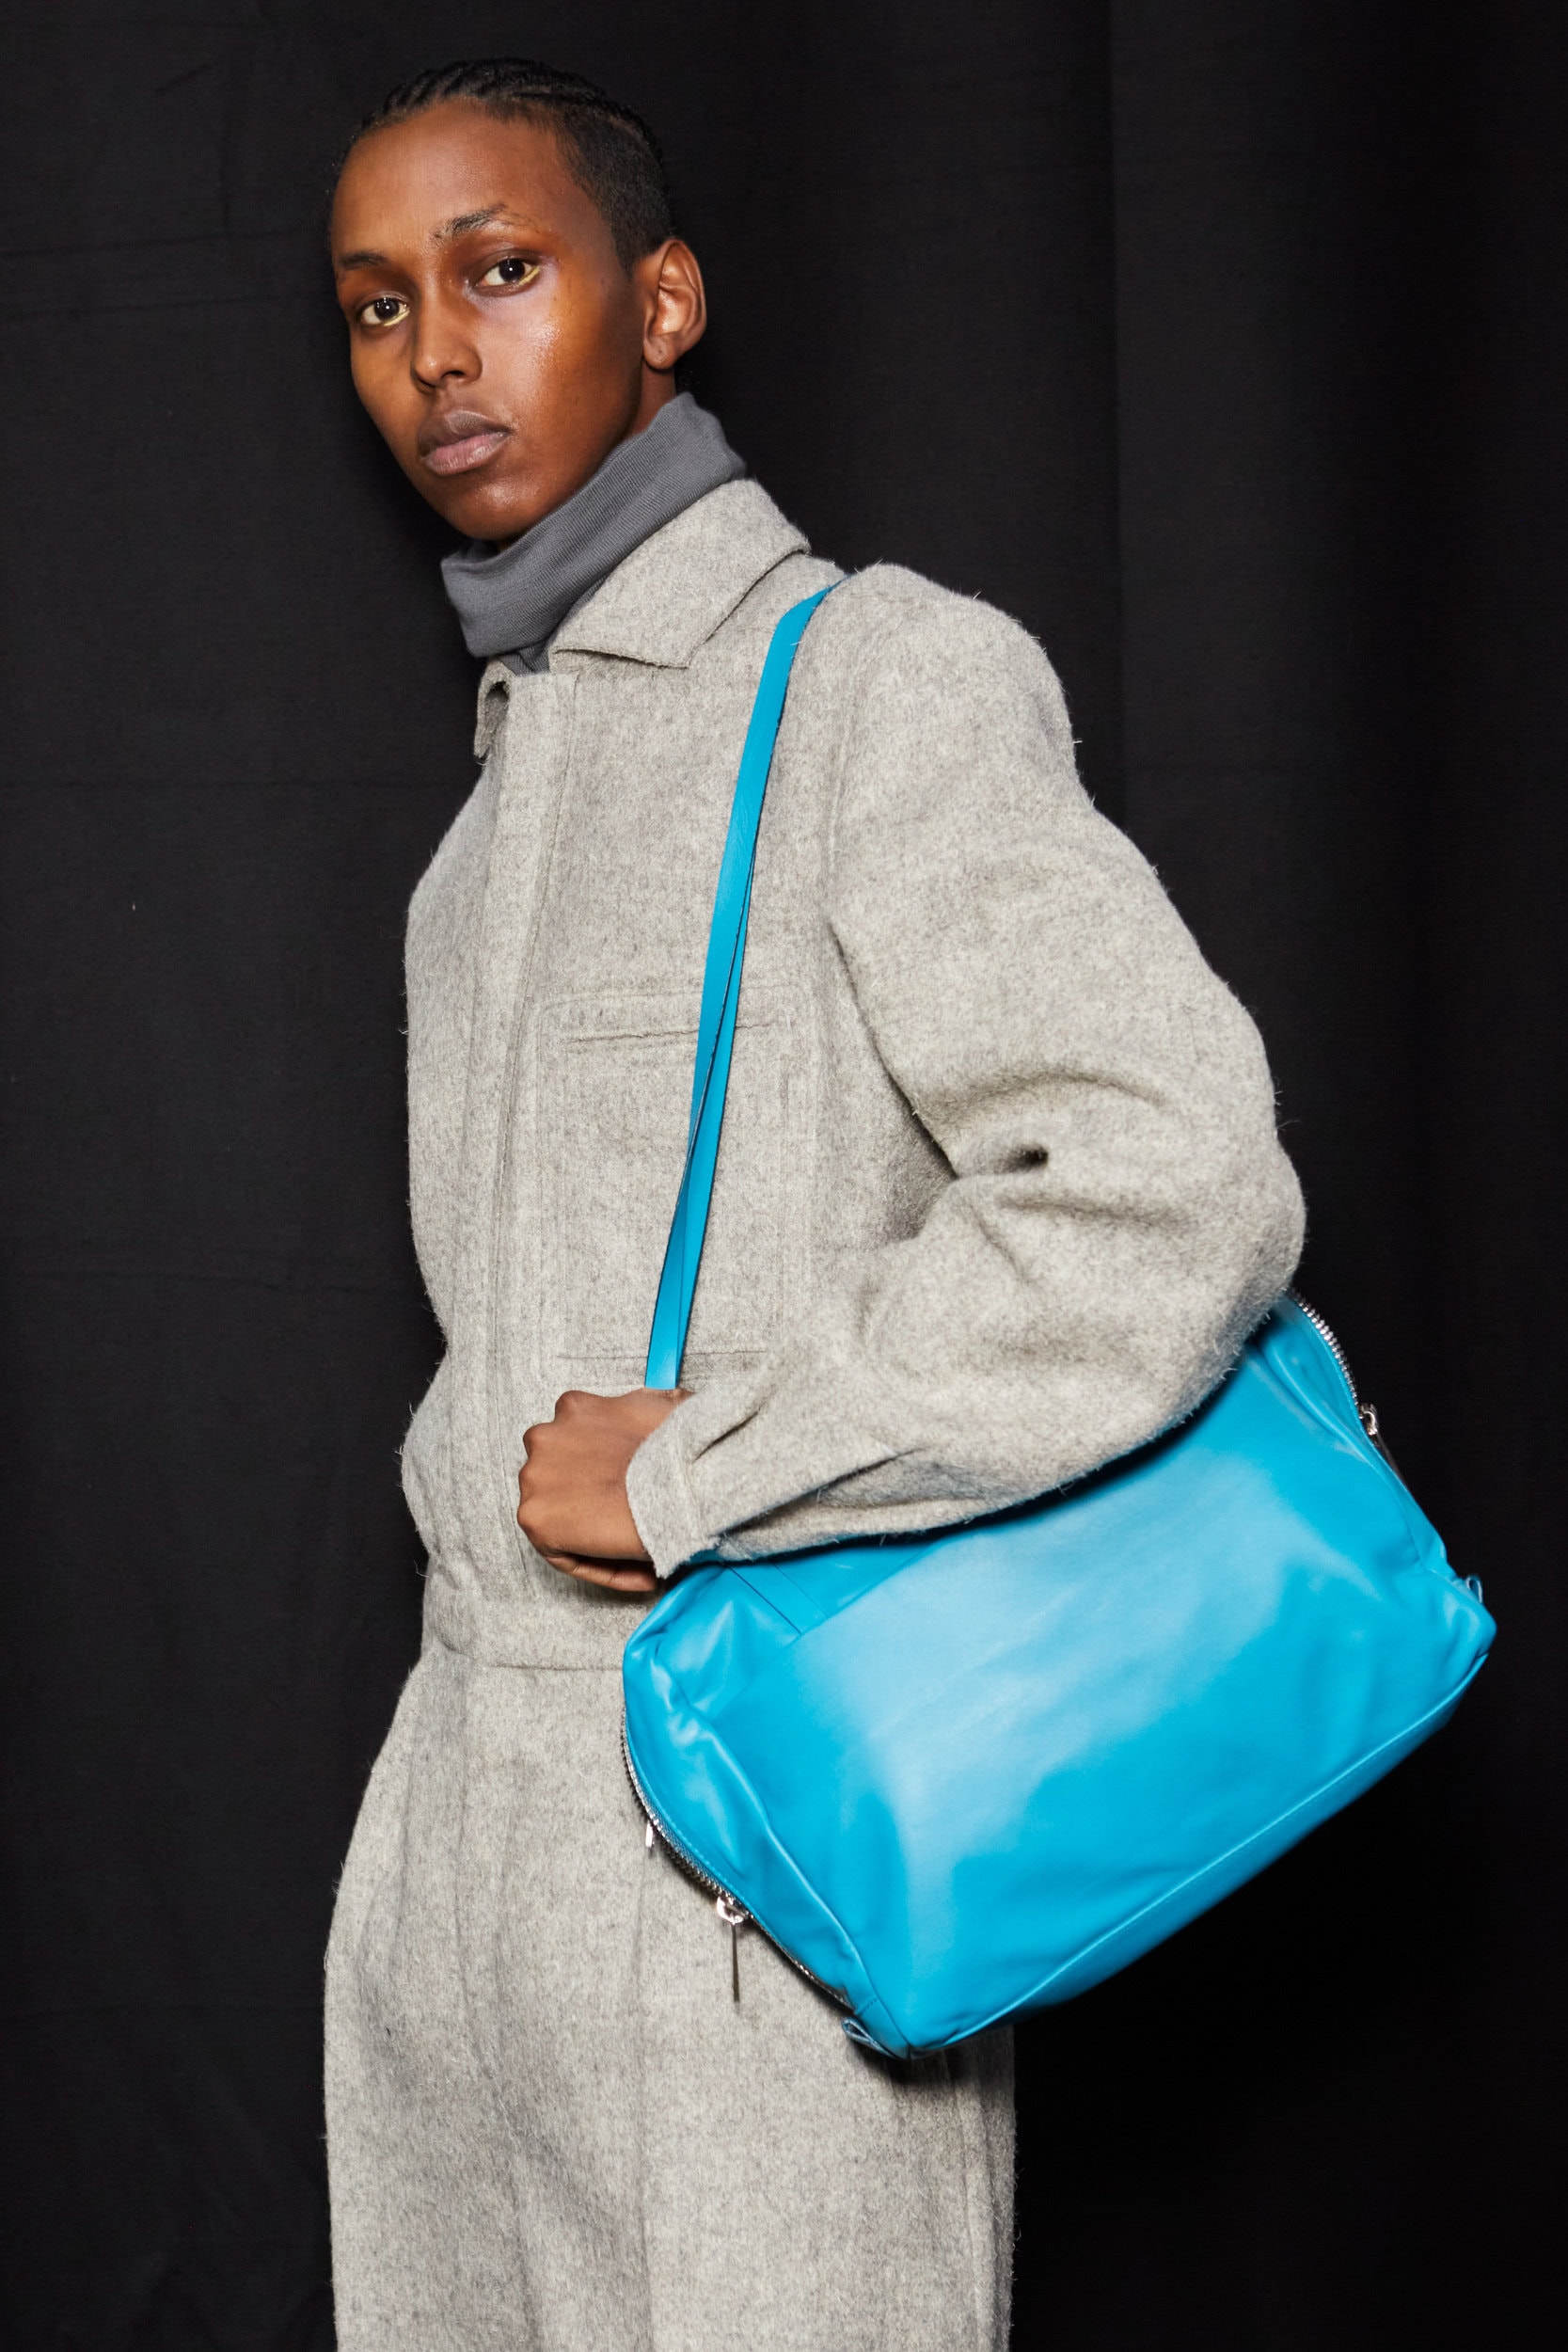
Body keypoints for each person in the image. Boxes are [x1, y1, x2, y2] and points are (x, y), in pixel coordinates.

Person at [324, 57, 1305, 2352]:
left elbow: (1176, 1182)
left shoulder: (877, 684)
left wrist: (717, 1458)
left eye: (499, 269)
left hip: (750, 1851)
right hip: (451, 1863)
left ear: (662, 302)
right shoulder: (482, 824)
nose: (436, 352)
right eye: (374, 306)